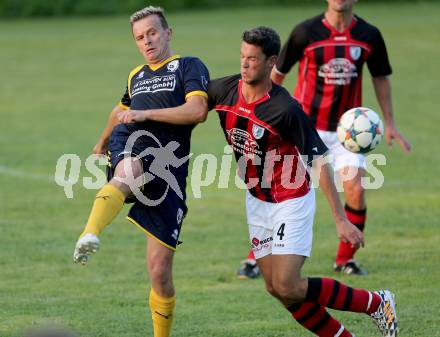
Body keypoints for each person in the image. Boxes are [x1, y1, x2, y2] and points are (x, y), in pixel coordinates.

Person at [208, 26, 398, 337]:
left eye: (253, 59)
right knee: (276, 288)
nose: (244, 64)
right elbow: (192, 99)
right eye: (242, 56)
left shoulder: (285, 108)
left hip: (290, 198)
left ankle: (375, 302)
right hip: (257, 199)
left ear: (271, 62)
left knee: (288, 284)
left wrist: (340, 219)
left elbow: (319, 160)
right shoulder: (226, 89)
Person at [72, 6, 209, 337]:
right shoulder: (136, 75)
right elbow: (119, 110)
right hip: (134, 141)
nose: (146, 42)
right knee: (127, 172)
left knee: (159, 271)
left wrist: (147, 114)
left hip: (170, 170)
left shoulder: (187, 66)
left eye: (151, 33)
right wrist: (101, 143)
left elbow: (197, 110)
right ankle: (90, 232)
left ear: (167, 33)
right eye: (139, 37)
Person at [260, 0, 411, 276]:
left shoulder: (369, 35)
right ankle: (254, 258)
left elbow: (380, 77)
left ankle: (345, 260)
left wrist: (389, 122)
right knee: (282, 193)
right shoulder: (305, 32)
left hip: (348, 132)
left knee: (356, 188)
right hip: (305, 128)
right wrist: (266, 113)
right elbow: (276, 75)